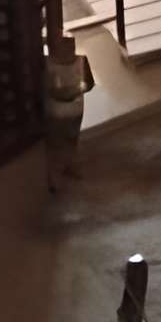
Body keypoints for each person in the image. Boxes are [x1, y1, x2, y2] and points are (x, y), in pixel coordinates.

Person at [43, 36, 92, 199]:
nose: (69, 50)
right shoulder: (48, 65)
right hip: (56, 109)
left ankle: (69, 165)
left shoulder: (81, 61)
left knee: (72, 138)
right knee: (56, 142)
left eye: (71, 46)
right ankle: (54, 175)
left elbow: (89, 83)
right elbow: (47, 87)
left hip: (75, 107)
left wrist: (76, 89)